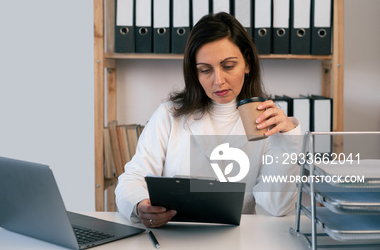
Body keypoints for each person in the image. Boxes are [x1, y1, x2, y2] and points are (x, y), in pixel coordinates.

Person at [115, 12, 302, 229]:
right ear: (195, 73)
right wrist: (139, 205)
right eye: (205, 70)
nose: (218, 80)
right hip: (176, 238)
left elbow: (275, 207)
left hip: (239, 241)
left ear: (247, 64)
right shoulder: (169, 115)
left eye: (229, 66)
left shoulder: (269, 120)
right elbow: (133, 177)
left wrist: (287, 142)